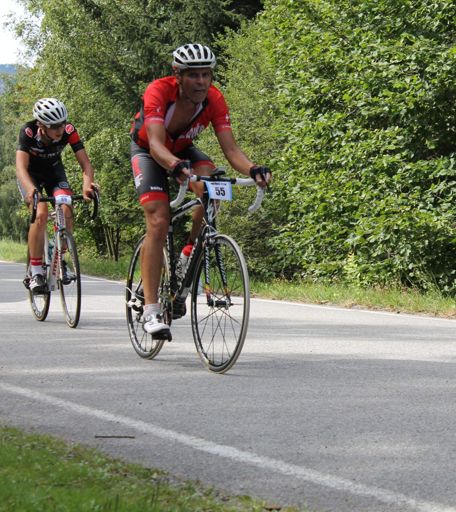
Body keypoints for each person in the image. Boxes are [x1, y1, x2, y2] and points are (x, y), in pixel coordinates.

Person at [130, 43, 271, 337]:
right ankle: (151, 310)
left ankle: (187, 254)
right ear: (178, 75)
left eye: (206, 74)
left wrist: (253, 169)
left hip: (183, 150)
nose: (201, 82)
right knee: (158, 219)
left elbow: (231, 150)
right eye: (194, 75)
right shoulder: (159, 91)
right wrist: (174, 166)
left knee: (213, 188)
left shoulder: (214, 99)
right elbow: (155, 144)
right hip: (150, 152)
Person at [16, 97, 97, 293]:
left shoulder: (68, 130)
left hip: (54, 173)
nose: (59, 129)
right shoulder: (28, 132)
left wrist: (87, 186)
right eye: (54, 126)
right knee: (41, 213)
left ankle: (58, 255)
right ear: (41, 125)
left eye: (62, 123)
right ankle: (36, 271)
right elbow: (20, 168)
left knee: (66, 208)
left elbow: (86, 164)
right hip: (30, 176)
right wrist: (31, 190)